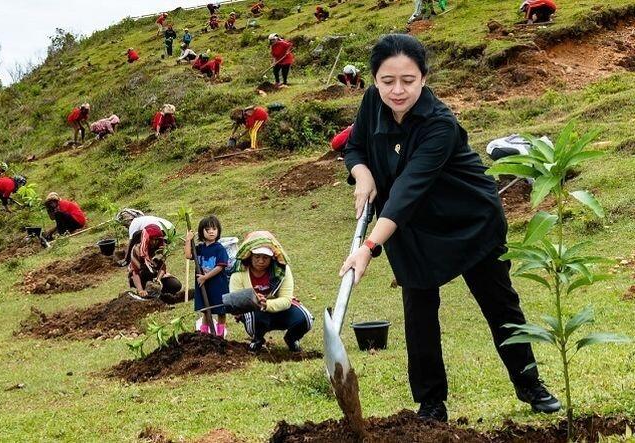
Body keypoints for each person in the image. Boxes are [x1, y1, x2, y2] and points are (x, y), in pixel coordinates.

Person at [339, 33, 561, 422]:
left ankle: (530, 385)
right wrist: (361, 174)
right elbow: (355, 146)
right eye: (387, 80)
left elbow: (410, 189)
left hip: (468, 220)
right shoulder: (373, 102)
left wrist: (369, 247)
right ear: (373, 80)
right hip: (410, 229)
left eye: (408, 80)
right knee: (419, 312)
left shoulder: (439, 124)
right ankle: (431, 403)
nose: (397, 90)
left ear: (424, 78)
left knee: (499, 304)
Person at [229, 231, 313, 352]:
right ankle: (257, 339)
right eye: (257, 257)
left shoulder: (282, 270)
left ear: (272, 258)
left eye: (265, 257)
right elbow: (235, 301)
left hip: (278, 307)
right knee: (254, 319)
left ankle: (292, 338)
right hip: (253, 310)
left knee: (305, 318)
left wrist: (266, 304)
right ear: (250, 256)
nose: (261, 261)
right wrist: (254, 301)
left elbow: (286, 300)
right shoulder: (238, 272)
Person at [184, 215, 229, 337]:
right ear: (201, 232)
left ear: (218, 231)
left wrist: (205, 277)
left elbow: (220, 267)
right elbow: (188, 255)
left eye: (214, 229)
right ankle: (204, 334)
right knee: (206, 311)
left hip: (217, 285)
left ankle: (220, 335)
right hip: (203, 286)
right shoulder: (199, 248)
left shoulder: (219, 249)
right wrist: (188, 240)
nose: (211, 232)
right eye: (207, 229)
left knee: (221, 311)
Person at [128, 224, 182, 302]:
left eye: (157, 239)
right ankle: (145, 293)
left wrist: (158, 280)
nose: (154, 242)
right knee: (145, 272)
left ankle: (158, 294)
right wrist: (140, 290)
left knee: (175, 285)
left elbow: (162, 267)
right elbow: (135, 272)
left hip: (155, 276)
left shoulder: (160, 249)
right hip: (141, 276)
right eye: (152, 239)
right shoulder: (137, 249)